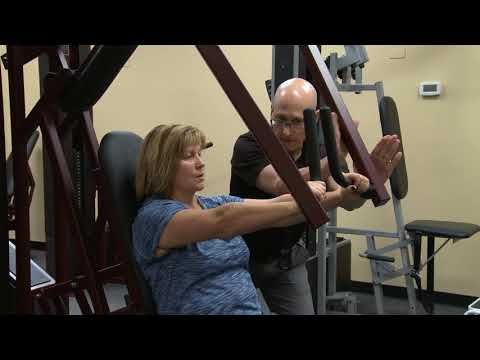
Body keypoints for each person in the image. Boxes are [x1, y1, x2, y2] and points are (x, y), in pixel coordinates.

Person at [230, 78, 403, 315]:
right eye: (280, 119)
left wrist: (370, 181)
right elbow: (283, 185)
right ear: (271, 111)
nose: (286, 131)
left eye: (297, 122)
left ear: (315, 120)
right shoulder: (250, 144)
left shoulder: (320, 151)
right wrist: (334, 157)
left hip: (285, 259)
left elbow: (347, 201)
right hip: (242, 259)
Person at [132, 123, 344, 315]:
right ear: (162, 164)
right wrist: (303, 197)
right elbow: (224, 221)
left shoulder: (211, 203)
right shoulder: (154, 217)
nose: (200, 164)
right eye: (189, 156)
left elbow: (278, 206)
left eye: (200, 154)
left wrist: (343, 194)